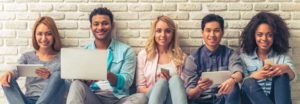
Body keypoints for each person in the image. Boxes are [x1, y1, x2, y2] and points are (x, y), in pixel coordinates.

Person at [66, 7, 146, 104]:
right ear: (91, 27)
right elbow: (73, 84)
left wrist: (108, 75)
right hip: (93, 97)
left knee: (141, 98)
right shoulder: (84, 51)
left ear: (112, 25)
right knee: (76, 84)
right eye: (96, 24)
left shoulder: (126, 51)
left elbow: (127, 83)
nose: (100, 28)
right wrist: (83, 80)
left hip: (118, 99)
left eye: (105, 23)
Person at [0, 16, 67, 104]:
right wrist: (10, 73)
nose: (44, 38)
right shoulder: (27, 57)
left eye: (48, 34)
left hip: (52, 101)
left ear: (54, 35)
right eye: (40, 34)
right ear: (35, 36)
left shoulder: (63, 57)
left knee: (58, 75)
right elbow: (16, 70)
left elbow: (69, 85)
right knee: (6, 78)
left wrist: (51, 77)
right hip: (28, 101)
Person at [182, 14, 244, 104]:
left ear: (222, 32)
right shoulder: (192, 59)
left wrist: (233, 80)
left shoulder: (230, 54)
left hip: (224, 99)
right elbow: (190, 94)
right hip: (202, 100)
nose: (212, 35)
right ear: (202, 32)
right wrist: (199, 88)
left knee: (234, 86)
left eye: (216, 31)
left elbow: (238, 72)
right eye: (208, 30)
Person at [240, 12, 297, 104]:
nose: (264, 39)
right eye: (259, 34)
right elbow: (240, 85)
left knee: (282, 74)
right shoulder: (244, 57)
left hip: (277, 99)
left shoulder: (281, 56)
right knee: (248, 82)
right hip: (252, 100)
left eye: (269, 35)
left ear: (275, 36)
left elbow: (293, 77)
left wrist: (286, 69)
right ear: (253, 36)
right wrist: (253, 76)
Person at [136, 16, 188, 104]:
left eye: (168, 31)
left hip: (173, 99)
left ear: (173, 34)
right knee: (162, 82)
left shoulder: (181, 57)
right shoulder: (143, 55)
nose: (163, 35)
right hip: (150, 97)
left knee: (175, 79)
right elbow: (140, 88)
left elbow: (184, 88)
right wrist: (160, 86)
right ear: (154, 33)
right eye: (159, 31)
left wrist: (169, 82)